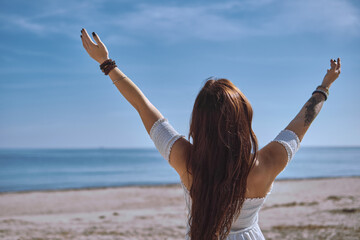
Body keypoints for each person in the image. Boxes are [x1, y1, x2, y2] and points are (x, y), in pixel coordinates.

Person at [80, 28, 341, 240]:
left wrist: (106, 63)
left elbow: (142, 106)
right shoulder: (265, 164)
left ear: (199, 123)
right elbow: (303, 121)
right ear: (243, 120)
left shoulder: (185, 159)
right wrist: (324, 86)